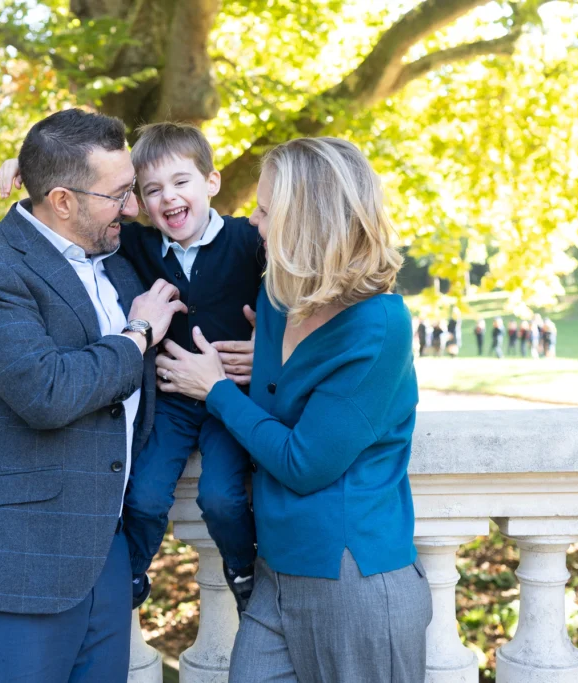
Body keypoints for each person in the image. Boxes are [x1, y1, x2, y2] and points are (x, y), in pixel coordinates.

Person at [156, 137, 431, 681]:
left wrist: (215, 390)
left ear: (306, 221)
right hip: (273, 571)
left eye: (264, 210)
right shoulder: (277, 300)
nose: (251, 221)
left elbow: (304, 463)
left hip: (352, 577)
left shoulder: (378, 327)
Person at [0, 108, 189, 682]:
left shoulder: (118, 254)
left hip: (107, 554)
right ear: (63, 201)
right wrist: (138, 334)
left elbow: (197, 227)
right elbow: (47, 391)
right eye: (119, 195)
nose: (133, 207)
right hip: (18, 563)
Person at [0, 122, 264, 612]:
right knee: (143, 497)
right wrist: (28, 170)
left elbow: (304, 274)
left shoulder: (250, 239)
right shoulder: (135, 244)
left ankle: (244, 568)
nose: (168, 197)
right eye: (151, 190)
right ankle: (131, 575)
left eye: (181, 182)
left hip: (230, 401)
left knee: (222, 498)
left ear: (212, 182)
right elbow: (70, 203)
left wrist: (267, 345)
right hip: (172, 401)